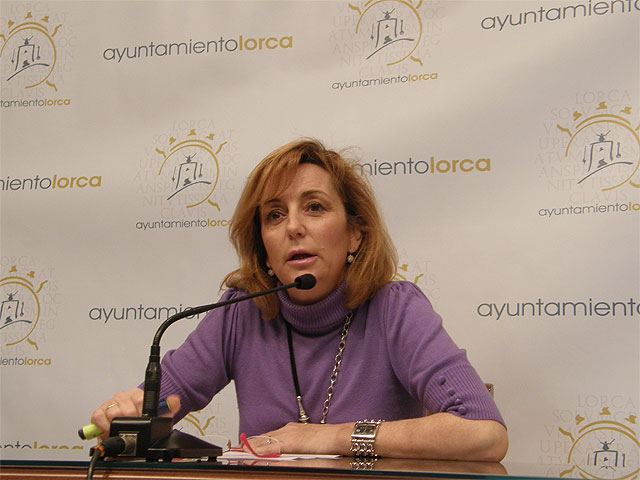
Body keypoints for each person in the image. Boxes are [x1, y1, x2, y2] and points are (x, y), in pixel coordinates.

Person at [91, 139, 508, 461]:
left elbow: (483, 432)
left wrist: (326, 438)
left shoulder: (394, 310)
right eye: (274, 215)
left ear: (355, 233)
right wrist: (126, 416)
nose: (293, 227)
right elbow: (160, 408)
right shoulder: (240, 313)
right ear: (263, 247)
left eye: (314, 207)